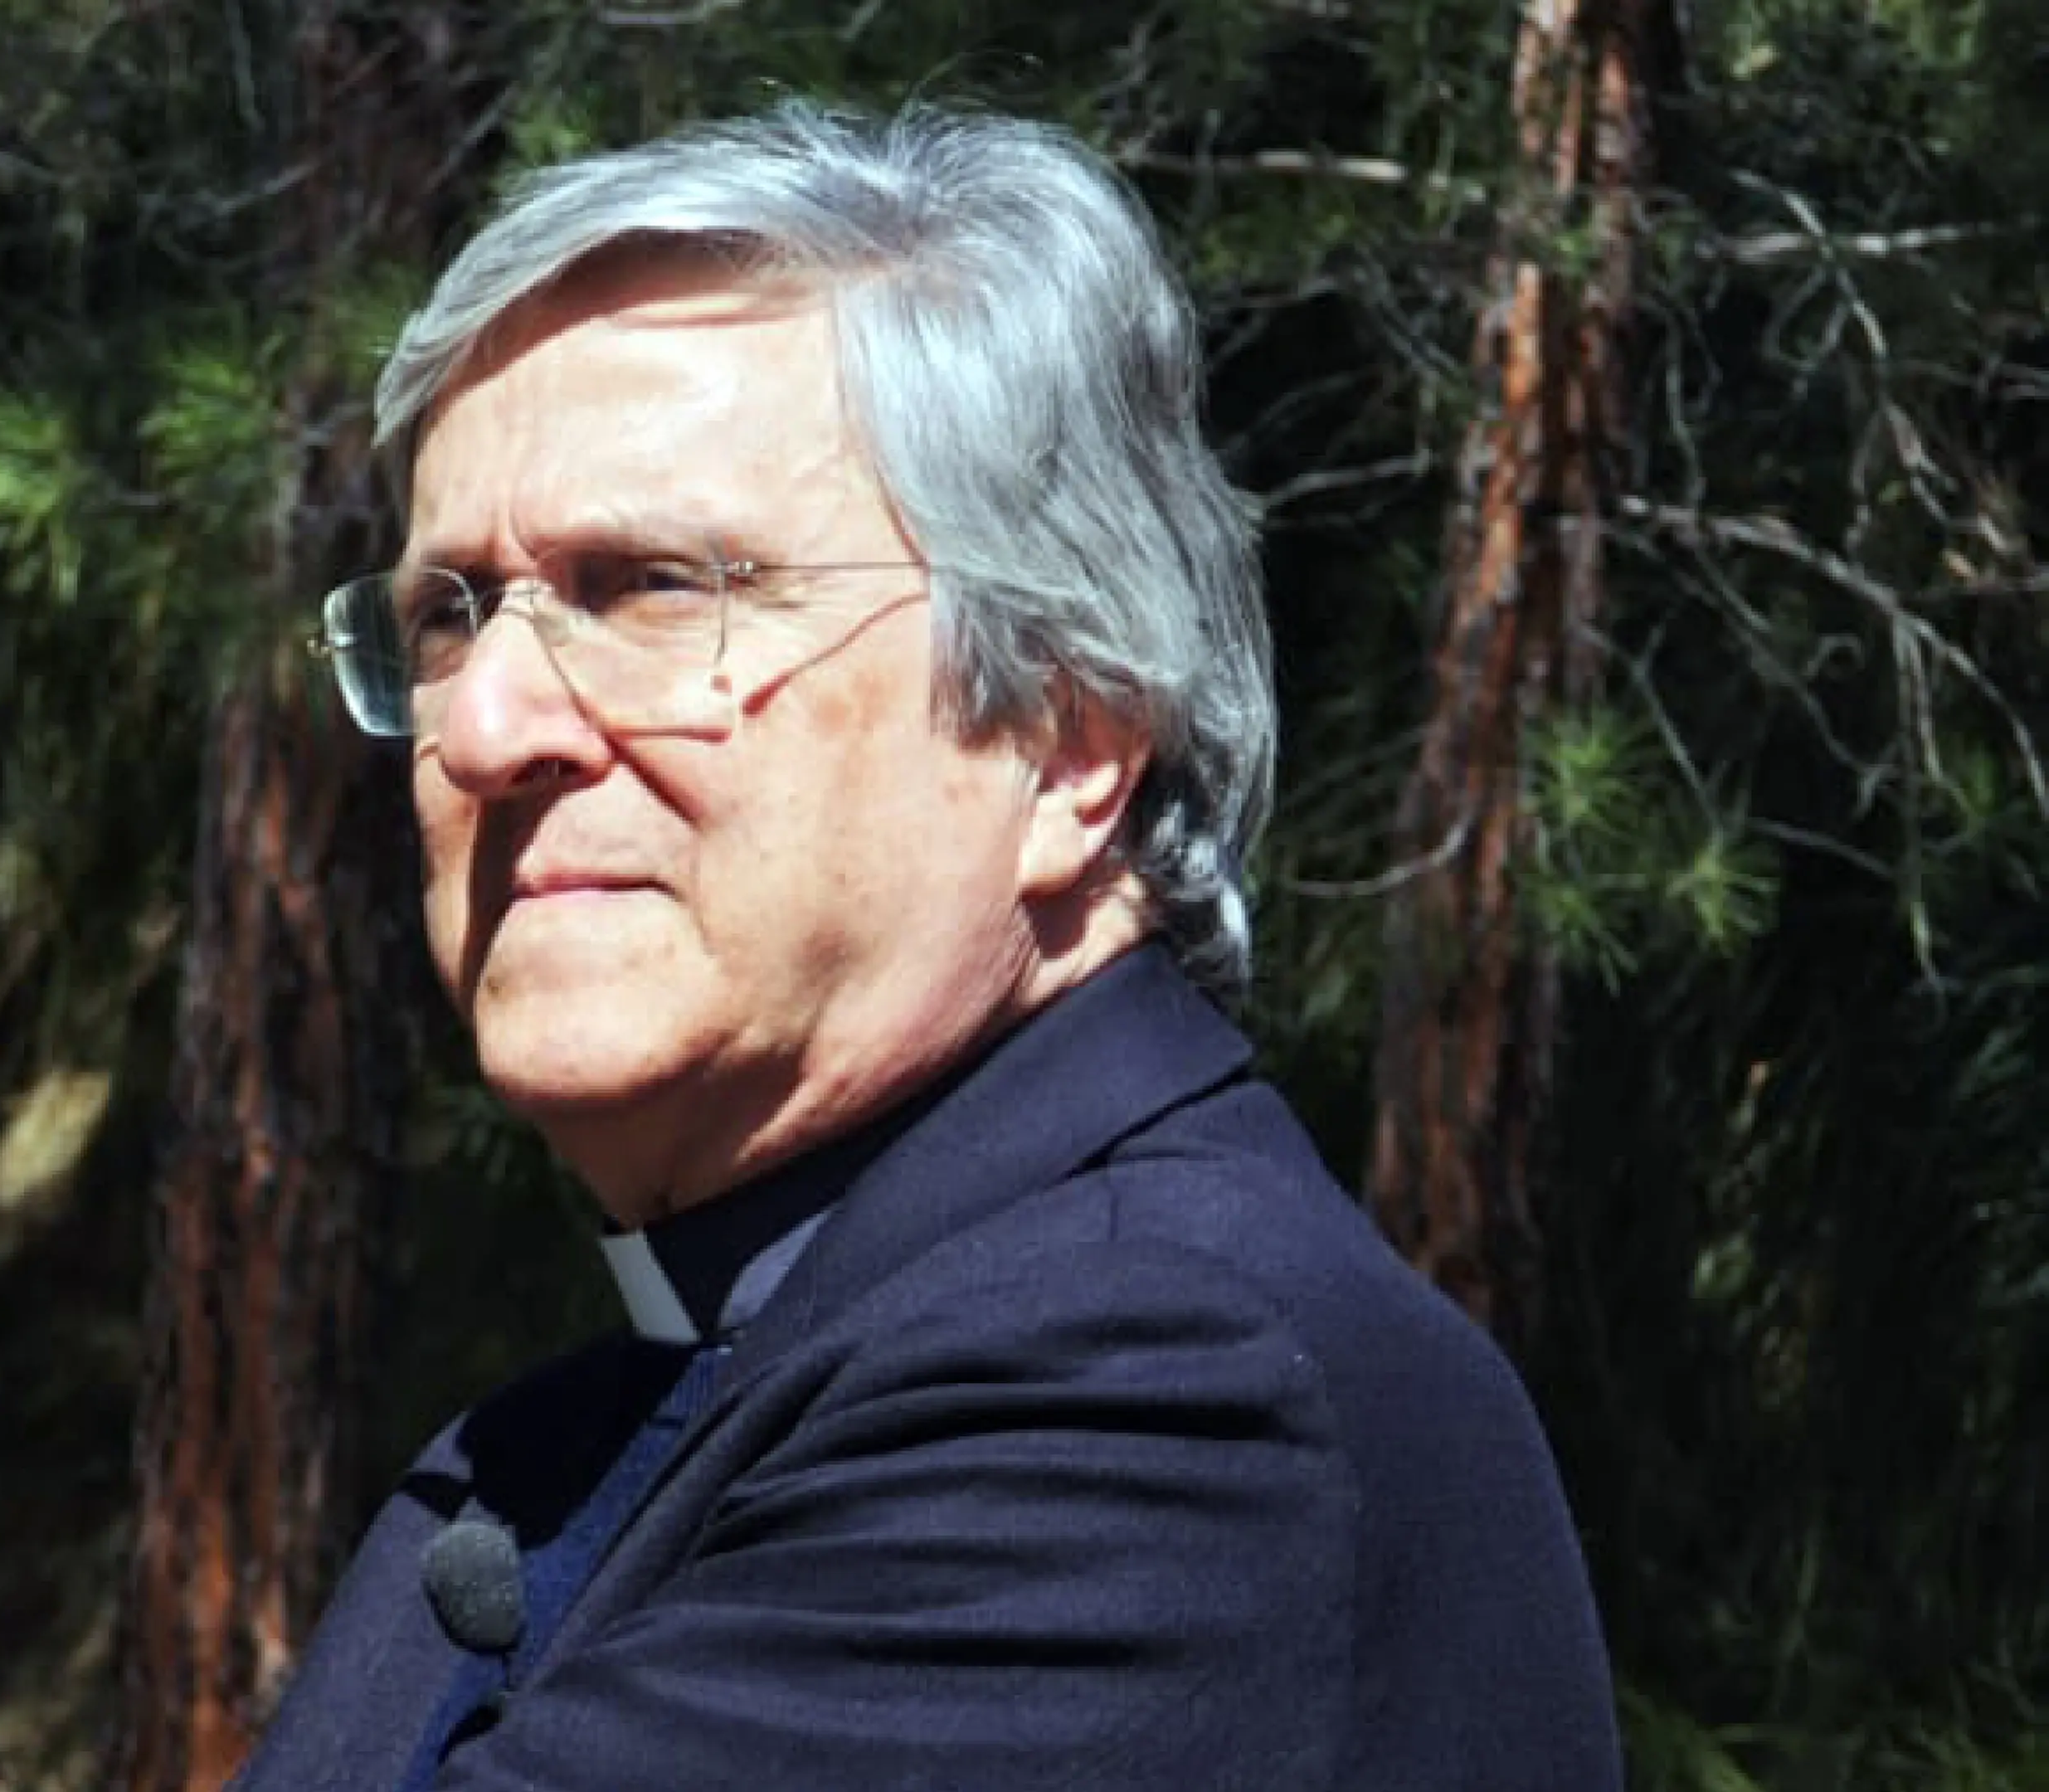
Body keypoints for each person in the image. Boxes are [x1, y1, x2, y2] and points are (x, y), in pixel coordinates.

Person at [244, 103, 1618, 1791]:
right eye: (445, 616)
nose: (485, 727)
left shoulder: (1154, 1395)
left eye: (654, 588)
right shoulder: (621, 1405)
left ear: (1067, 737)